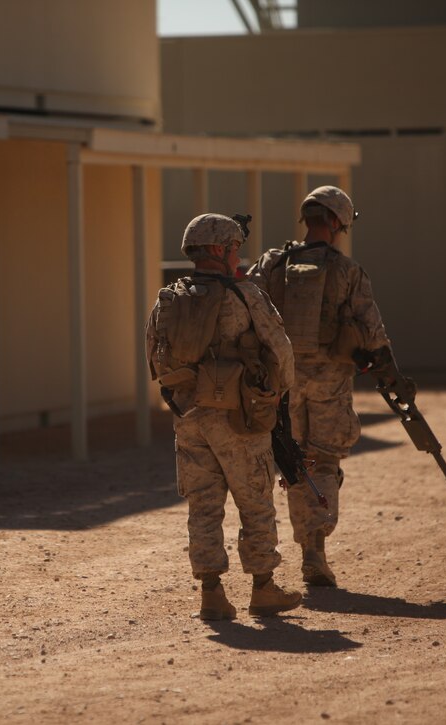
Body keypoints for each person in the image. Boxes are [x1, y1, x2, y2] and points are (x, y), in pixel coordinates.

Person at [146, 213, 300, 620]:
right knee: (255, 499)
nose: (237, 256)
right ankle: (263, 588)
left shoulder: (168, 298)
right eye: (233, 248)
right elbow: (281, 351)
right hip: (240, 417)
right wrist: (276, 395)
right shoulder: (245, 295)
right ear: (218, 250)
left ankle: (211, 593)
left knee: (203, 505)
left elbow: (152, 355)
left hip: (189, 416)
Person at [249, 186, 403, 587]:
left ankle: (301, 550)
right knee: (323, 461)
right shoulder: (347, 271)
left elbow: (248, 312)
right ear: (337, 223)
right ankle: (314, 553)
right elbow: (372, 329)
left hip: (282, 383)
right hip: (329, 382)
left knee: (294, 462)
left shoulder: (272, 263)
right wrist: (391, 374)